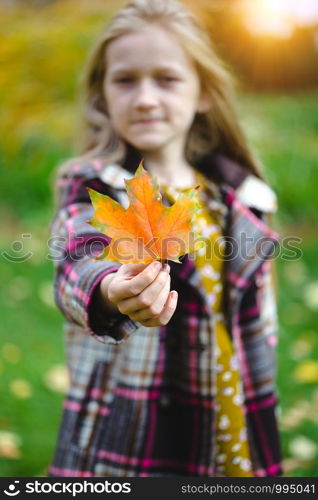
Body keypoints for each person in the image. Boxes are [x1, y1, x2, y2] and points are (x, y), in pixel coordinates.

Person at [48, 0, 283, 477]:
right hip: (134, 428)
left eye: (167, 78)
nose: (146, 98)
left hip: (231, 406)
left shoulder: (240, 197)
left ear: (203, 93)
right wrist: (113, 292)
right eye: (126, 80)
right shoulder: (92, 184)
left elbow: (261, 318)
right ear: (102, 94)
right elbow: (78, 258)